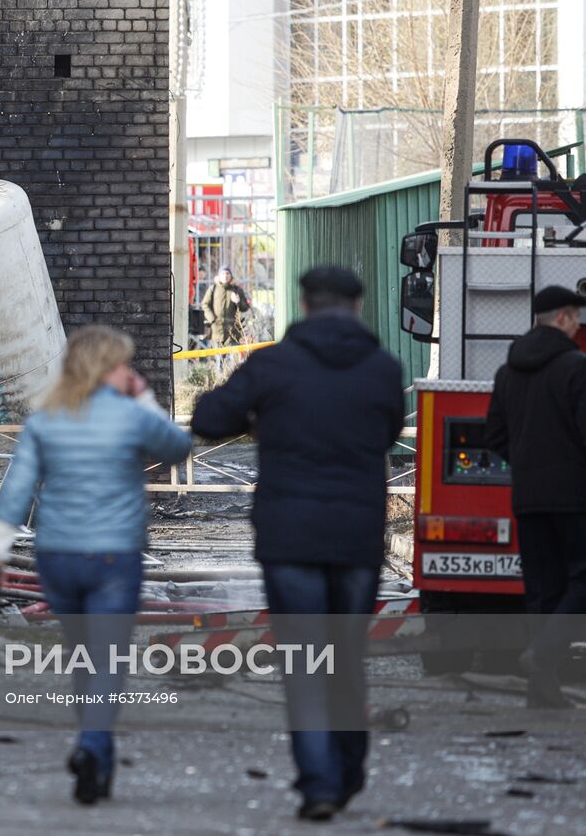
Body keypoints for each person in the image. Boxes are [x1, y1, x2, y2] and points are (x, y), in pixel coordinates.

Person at [191, 266, 403, 822]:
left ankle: (319, 784)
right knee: (346, 656)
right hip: (356, 538)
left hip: (289, 537)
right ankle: (349, 765)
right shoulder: (383, 369)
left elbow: (208, 418)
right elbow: (385, 435)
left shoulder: (272, 365)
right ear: (357, 307)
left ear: (304, 305)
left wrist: (259, 413)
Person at [0, 325, 191, 805]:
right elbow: (178, 449)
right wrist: (146, 399)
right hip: (114, 557)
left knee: (85, 659)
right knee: (108, 660)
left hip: (58, 556)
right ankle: (92, 745)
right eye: (123, 365)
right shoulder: (129, 415)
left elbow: (17, 488)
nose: (129, 372)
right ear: (104, 368)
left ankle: (98, 764)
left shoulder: (46, 417)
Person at [484, 285, 586, 708]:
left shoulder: (508, 371)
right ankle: (543, 654)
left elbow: (494, 436)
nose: (580, 327)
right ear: (562, 318)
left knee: (542, 592)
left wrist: (526, 462)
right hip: (576, 497)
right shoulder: (577, 366)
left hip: (528, 498)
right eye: (577, 318)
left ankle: (541, 693)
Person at [200, 266, 251, 347]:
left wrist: (238, 302)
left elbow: (245, 307)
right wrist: (212, 319)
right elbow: (205, 304)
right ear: (219, 276)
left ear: (231, 276)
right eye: (223, 273)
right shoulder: (213, 289)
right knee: (218, 357)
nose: (225, 276)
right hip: (216, 330)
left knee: (232, 357)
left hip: (232, 331)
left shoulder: (237, 290)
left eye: (227, 273)